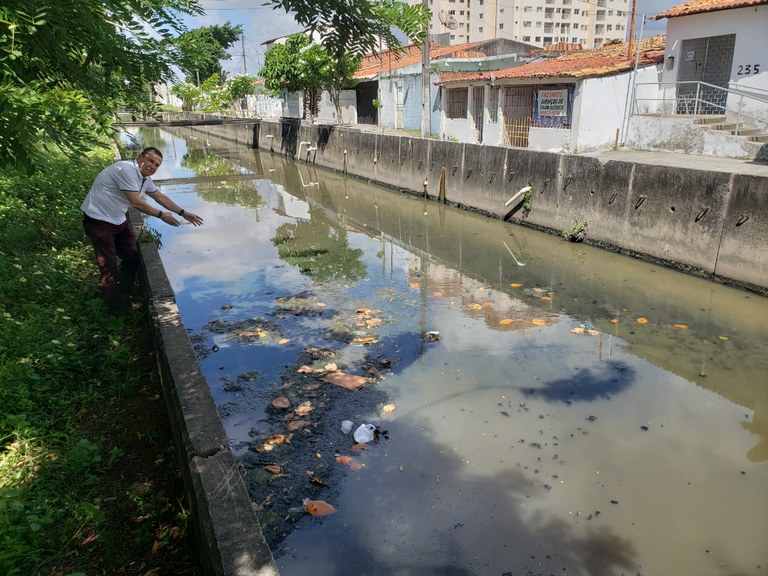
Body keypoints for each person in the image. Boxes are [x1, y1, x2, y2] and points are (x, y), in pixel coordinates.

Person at [81, 146, 203, 311]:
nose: (152, 166)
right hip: (99, 220)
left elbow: (159, 196)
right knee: (109, 267)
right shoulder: (126, 170)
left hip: (118, 219)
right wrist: (162, 215)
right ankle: (116, 312)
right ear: (140, 158)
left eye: (157, 165)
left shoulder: (144, 178)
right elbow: (136, 202)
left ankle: (123, 293)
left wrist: (183, 213)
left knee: (132, 257)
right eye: (150, 161)